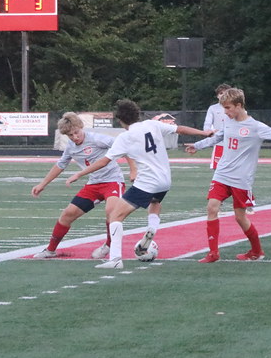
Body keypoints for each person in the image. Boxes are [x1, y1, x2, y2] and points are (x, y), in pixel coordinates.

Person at [66, 99, 213, 269]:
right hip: (165, 180)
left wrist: (79, 173)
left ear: (121, 120)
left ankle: (115, 259)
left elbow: (104, 161)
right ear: (137, 113)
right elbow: (180, 129)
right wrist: (204, 133)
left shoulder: (125, 137)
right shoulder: (152, 124)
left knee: (115, 216)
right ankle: (151, 229)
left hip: (147, 183)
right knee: (155, 202)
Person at [187, 87, 271, 262]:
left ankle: (256, 251)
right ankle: (213, 253)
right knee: (212, 207)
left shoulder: (256, 127)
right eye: (224, 108)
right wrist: (198, 145)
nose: (225, 112)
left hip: (241, 179)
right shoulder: (229, 122)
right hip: (222, 174)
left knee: (240, 217)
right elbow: (218, 137)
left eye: (228, 108)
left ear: (239, 105)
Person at [31, 112, 136, 259]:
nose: (75, 137)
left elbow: (123, 148)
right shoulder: (71, 147)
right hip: (93, 185)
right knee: (67, 215)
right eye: (70, 135)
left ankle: (108, 245)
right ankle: (50, 250)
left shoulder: (97, 139)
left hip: (112, 181)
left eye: (76, 132)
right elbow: (60, 165)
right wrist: (43, 184)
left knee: (111, 211)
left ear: (81, 127)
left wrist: (133, 169)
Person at [202, 83, 232, 169]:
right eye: (221, 93)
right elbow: (207, 124)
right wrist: (208, 131)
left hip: (233, 142)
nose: (223, 95)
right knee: (217, 168)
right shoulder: (213, 108)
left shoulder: (236, 107)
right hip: (219, 143)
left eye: (225, 93)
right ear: (217, 96)